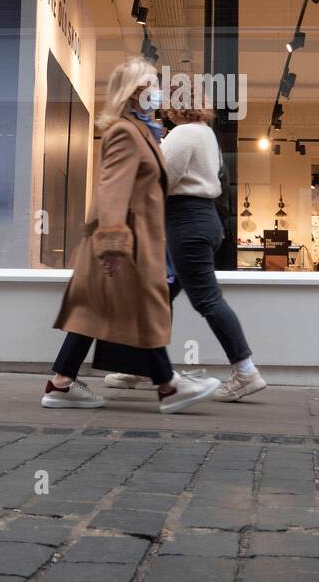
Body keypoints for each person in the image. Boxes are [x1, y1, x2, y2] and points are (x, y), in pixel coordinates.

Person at [43, 57, 221, 413]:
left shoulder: (142, 132)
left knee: (94, 312)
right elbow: (111, 189)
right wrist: (113, 245)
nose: (158, 92)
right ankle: (169, 386)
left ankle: (61, 383)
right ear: (135, 92)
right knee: (146, 310)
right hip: (126, 242)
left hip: (131, 240)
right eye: (152, 85)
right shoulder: (126, 133)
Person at [106, 103, 267, 401]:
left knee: (206, 298)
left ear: (176, 107)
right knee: (159, 295)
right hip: (203, 220)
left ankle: (246, 371)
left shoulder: (183, 133)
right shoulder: (206, 133)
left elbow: (162, 179)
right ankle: (141, 365)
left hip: (186, 222)